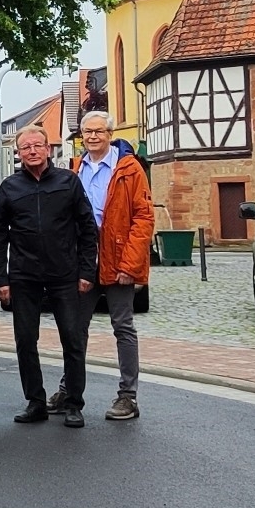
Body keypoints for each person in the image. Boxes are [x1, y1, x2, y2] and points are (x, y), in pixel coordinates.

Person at [0, 126, 98, 428]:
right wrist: (1, 279)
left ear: (48, 149)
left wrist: (87, 271)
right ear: (18, 153)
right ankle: (35, 401)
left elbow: (88, 229)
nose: (32, 151)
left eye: (37, 146)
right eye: (26, 147)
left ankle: (74, 403)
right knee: (26, 340)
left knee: (72, 340)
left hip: (65, 274)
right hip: (24, 275)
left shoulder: (68, 182)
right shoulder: (10, 187)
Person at [73, 110, 154, 421]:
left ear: (110, 134)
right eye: (88, 132)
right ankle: (70, 387)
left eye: (99, 132)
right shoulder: (76, 167)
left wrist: (130, 264)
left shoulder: (130, 169)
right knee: (75, 328)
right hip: (85, 259)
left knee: (123, 326)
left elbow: (143, 218)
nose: (93, 137)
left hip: (119, 258)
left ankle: (128, 396)